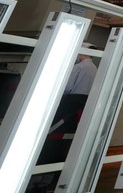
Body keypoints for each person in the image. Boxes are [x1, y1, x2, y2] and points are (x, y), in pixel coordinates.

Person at [27, 45, 98, 192]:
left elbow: (66, 87)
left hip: (68, 106)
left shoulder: (78, 68)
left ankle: (35, 180)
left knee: (50, 141)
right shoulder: (94, 69)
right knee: (64, 145)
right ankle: (47, 181)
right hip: (81, 110)